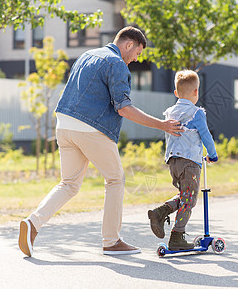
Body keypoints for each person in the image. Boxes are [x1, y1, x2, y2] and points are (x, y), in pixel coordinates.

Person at [18, 26, 184, 257]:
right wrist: (163, 125)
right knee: (116, 179)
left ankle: (32, 224)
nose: (136, 59)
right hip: (90, 128)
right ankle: (111, 241)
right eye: (137, 53)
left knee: (68, 184)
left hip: (64, 125)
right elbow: (124, 108)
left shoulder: (87, 55)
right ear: (128, 45)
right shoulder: (116, 63)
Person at [148, 70, 218, 251]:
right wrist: (213, 154)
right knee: (190, 200)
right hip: (190, 163)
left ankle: (160, 212)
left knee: (185, 195)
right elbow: (206, 135)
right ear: (196, 92)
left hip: (173, 162)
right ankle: (177, 237)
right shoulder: (197, 113)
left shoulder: (170, 112)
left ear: (176, 93)